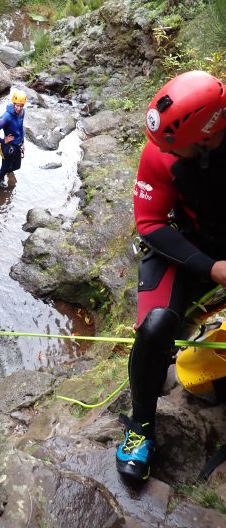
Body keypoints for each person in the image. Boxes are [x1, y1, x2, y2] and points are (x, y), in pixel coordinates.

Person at [116, 70, 226, 482]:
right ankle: (142, 425)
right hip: (190, 247)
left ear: (207, 134)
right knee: (156, 326)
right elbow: (150, 222)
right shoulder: (161, 152)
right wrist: (210, 268)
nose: (168, 155)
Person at [0, 89, 26, 188]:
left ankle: (6, 172)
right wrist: (3, 141)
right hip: (8, 147)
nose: (19, 108)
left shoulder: (22, 112)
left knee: (17, 166)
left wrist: (22, 142)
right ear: (13, 103)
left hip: (17, 144)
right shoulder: (7, 117)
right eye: (17, 105)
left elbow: (21, 127)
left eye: (21, 106)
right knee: (5, 167)